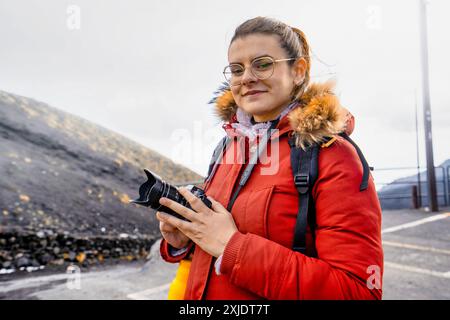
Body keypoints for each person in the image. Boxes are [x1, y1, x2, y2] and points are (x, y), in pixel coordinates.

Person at [156, 16, 383, 300]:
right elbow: (213, 242)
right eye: (236, 69)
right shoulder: (226, 149)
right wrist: (186, 241)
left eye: (262, 64)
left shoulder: (333, 156)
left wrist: (232, 246)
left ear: (298, 71)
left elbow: (358, 292)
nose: (247, 78)